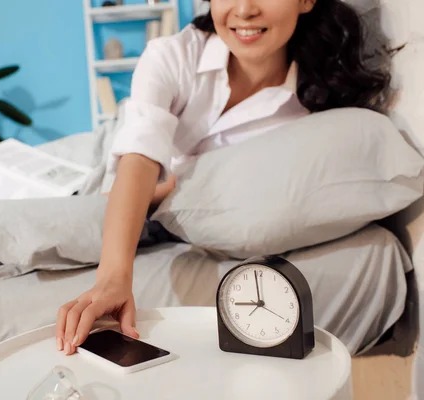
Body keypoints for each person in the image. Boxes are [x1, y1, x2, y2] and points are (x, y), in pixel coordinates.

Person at [55, 0, 391, 355]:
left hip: (167, 206)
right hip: (120, 179)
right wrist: (113, 280)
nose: (244, 10)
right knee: (49, 224)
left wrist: (171, 190)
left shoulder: (312, 109)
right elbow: (139, 156)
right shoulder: (174, 55)